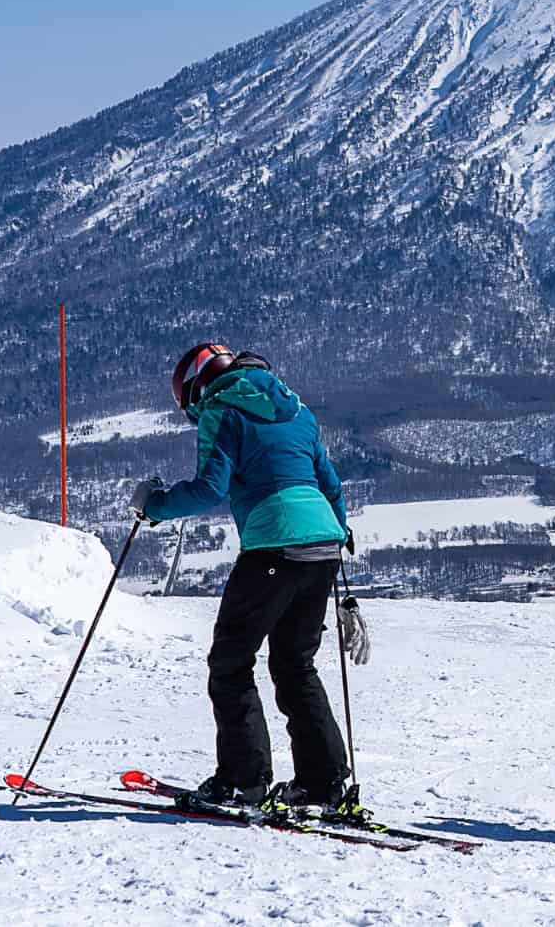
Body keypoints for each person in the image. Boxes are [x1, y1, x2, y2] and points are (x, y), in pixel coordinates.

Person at [132, 343, 364, 813]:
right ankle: (323, 784)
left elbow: (209, 488)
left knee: (231, 661)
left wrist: (153, 505)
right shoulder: (299, 413)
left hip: (273, 544)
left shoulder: (223, 409)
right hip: (322, 546)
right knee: (295, 666)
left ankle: (244, 781)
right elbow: (332, 487)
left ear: (199, 385)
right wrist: (338, 549)